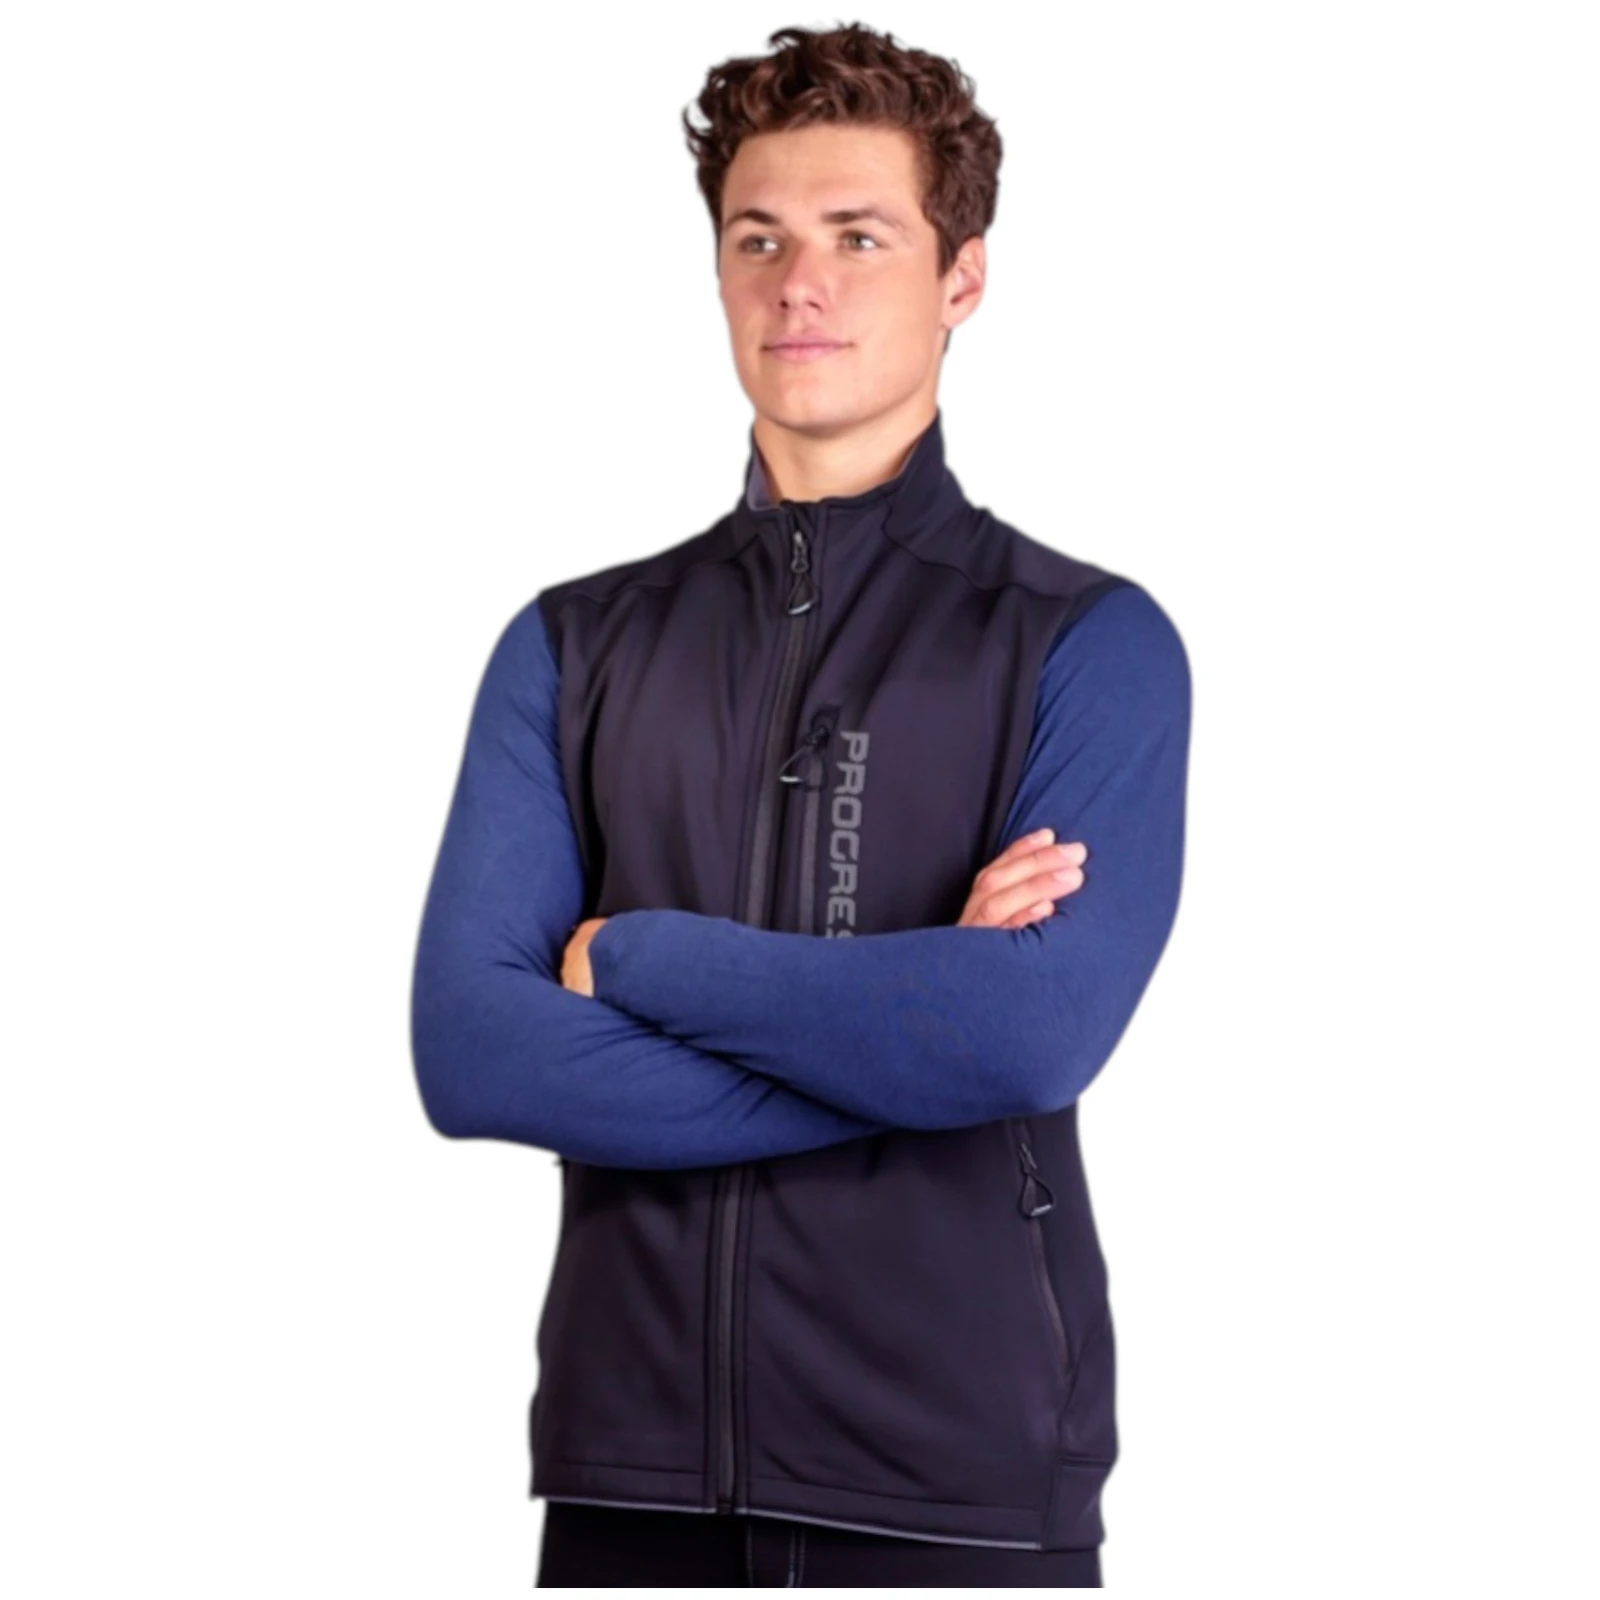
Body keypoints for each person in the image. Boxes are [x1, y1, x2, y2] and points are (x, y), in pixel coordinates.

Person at [410, 21, 1191, 1588]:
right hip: (632, 1480)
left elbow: (1027, 1035)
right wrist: (912, 1033)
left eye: (858, 236)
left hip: (954, 1487)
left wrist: (635, 958)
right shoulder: (572, 644)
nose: (798, 284)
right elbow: (473, 1051)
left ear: (963, 277)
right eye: (757, 238)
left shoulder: (1085, 642)